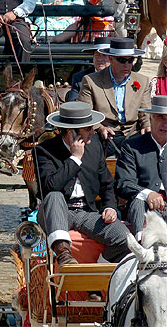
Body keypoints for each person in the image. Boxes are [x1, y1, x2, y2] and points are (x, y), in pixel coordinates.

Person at [34, 101, 129, 268]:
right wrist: (75, 158)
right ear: (71, 133)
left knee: (123, 237)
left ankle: (98, 271)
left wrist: (110, 208)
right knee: (55, 196)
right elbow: (49, 186)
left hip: (87, 212)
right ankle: (64, 256)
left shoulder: (95, 147)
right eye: (88, 129)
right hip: (56, 212)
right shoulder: (44, 150)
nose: (93, 132)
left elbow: (107, 185)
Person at [77, 37, 151, 156]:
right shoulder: (91, 81)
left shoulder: (142, 81)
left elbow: (145, 112)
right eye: (122, 60)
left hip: (132, 133)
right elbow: (85, 112)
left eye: (130, 60)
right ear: (111, 59)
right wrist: (99, 127)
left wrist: (147, 126)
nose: (127, 65)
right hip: (105, 134)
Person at [115, 95, 167, 240]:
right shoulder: (132, 147)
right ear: (150, 119)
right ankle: (142, 245)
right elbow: (123, 183)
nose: (165, 124)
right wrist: (148, 194)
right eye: (160, 117)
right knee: (138, 200)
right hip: (144, 208)